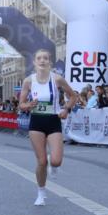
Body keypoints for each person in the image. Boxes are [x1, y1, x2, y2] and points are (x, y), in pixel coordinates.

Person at [18, 49, 77, 206]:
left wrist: (66, 110)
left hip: (53, 121)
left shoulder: (57, 79)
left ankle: (54, 164)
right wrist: (28, 105)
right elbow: (21, 104)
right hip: (36, 122)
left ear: (49, 62)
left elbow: (73, 96)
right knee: (42, 161)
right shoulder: (28, 81)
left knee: (56, 161)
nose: (42, 61)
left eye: (45, 58)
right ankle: (41, 193)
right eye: (39, 58)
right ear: (34, 62)